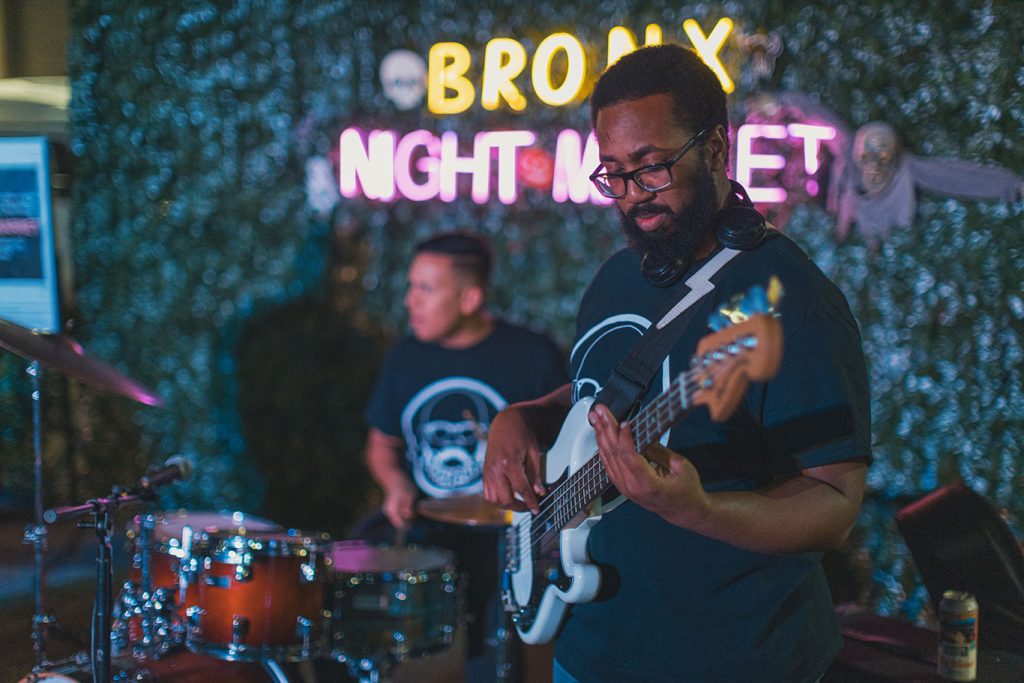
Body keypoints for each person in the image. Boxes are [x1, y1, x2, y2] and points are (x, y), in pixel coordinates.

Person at [483, 44, 872, 682]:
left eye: (652, 167)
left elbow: (835, 503)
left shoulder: (793, 303)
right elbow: (595, 395)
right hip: (590, 653)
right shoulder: (617, 275)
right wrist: (521, 418)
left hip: (727, 662)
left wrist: (699, 510)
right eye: (613, 172)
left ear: (716, 149)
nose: (633, 195)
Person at [360, 231, 567, 681]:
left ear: (470, 297)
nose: (411, 301)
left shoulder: (531, 356)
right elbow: (381, 444)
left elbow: (570, 441)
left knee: (493, 647)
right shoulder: (406, 356)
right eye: (411, 286)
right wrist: (395, 484)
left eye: (426, 289)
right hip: (428, 527)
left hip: (509, 535)